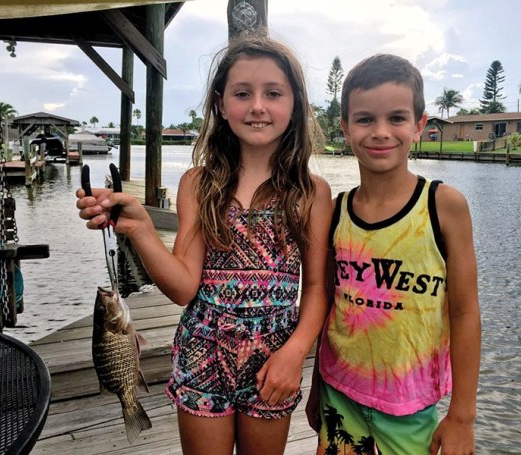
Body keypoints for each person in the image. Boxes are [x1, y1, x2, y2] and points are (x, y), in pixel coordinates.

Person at [76, 34, 333, 455]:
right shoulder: (197, 184)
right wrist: (140, 227)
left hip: (274, 358)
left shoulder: (311, 193)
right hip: (202, 353)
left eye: (273, 93)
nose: (257, 107)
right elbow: (182, 287)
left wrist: (296, 353)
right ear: (220, 103)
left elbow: (318, 288)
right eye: (242, 93)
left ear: (296, 104)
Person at [306, 53, 481, 455]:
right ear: (345, 129)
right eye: (365, 119)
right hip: (339, 394)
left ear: (419, 125)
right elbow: (331, 304)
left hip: (411, 408)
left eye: (397, 118)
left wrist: (462, 416)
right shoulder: (336, 212)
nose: (381, 132)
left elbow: (465, 312)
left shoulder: (443, 206)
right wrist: (316, 385)